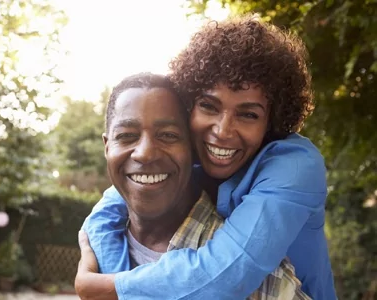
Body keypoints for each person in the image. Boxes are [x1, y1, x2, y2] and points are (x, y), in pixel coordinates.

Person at [77, 15, 337, 299]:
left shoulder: (295, 166)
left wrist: (108, 288)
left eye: (248, 114)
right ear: (190, 106)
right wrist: (108, 272)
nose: (223, 131)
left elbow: (224, 274)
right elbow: (112, 206)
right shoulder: (191, 150)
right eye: (209, 106)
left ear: (272, 121)